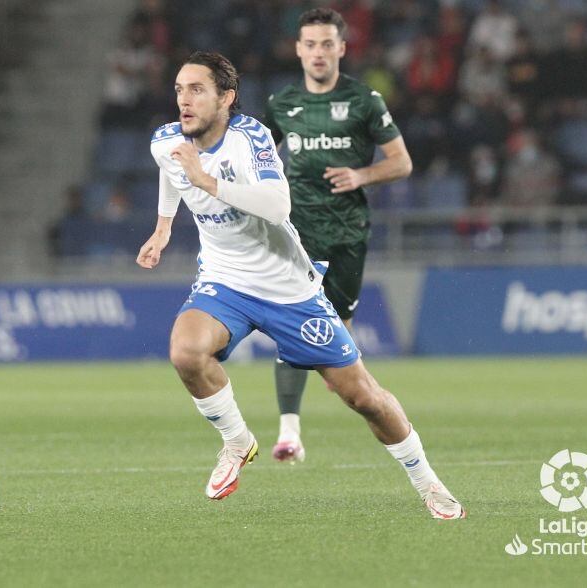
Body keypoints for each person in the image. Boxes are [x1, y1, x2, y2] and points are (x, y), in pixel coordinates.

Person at [136, 51, 465, 519]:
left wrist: (207, 181)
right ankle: (237, 441)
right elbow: (173, 173)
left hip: (288, 287)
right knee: (186, 351)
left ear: (225, 97)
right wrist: (163, 227)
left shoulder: (250, 138)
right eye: (178, 89)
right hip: (225, 280)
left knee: (363, 397)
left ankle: (428, 482)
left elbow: (276, 204)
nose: (183, 100)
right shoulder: (165, 141)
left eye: (196, 90)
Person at [262, 8, 412, 463]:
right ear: (298, 50)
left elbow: (401, 162)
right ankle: (289, 432)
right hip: (297, 234)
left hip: (347, 233)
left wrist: (361, 175)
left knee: (336, 342)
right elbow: (259, 160)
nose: (318, 52)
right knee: (294, 324)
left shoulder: (364, 100)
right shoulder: (282, 103)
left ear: (342, 49)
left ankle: (373, 404)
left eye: (327, 44)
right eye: (310, 44)